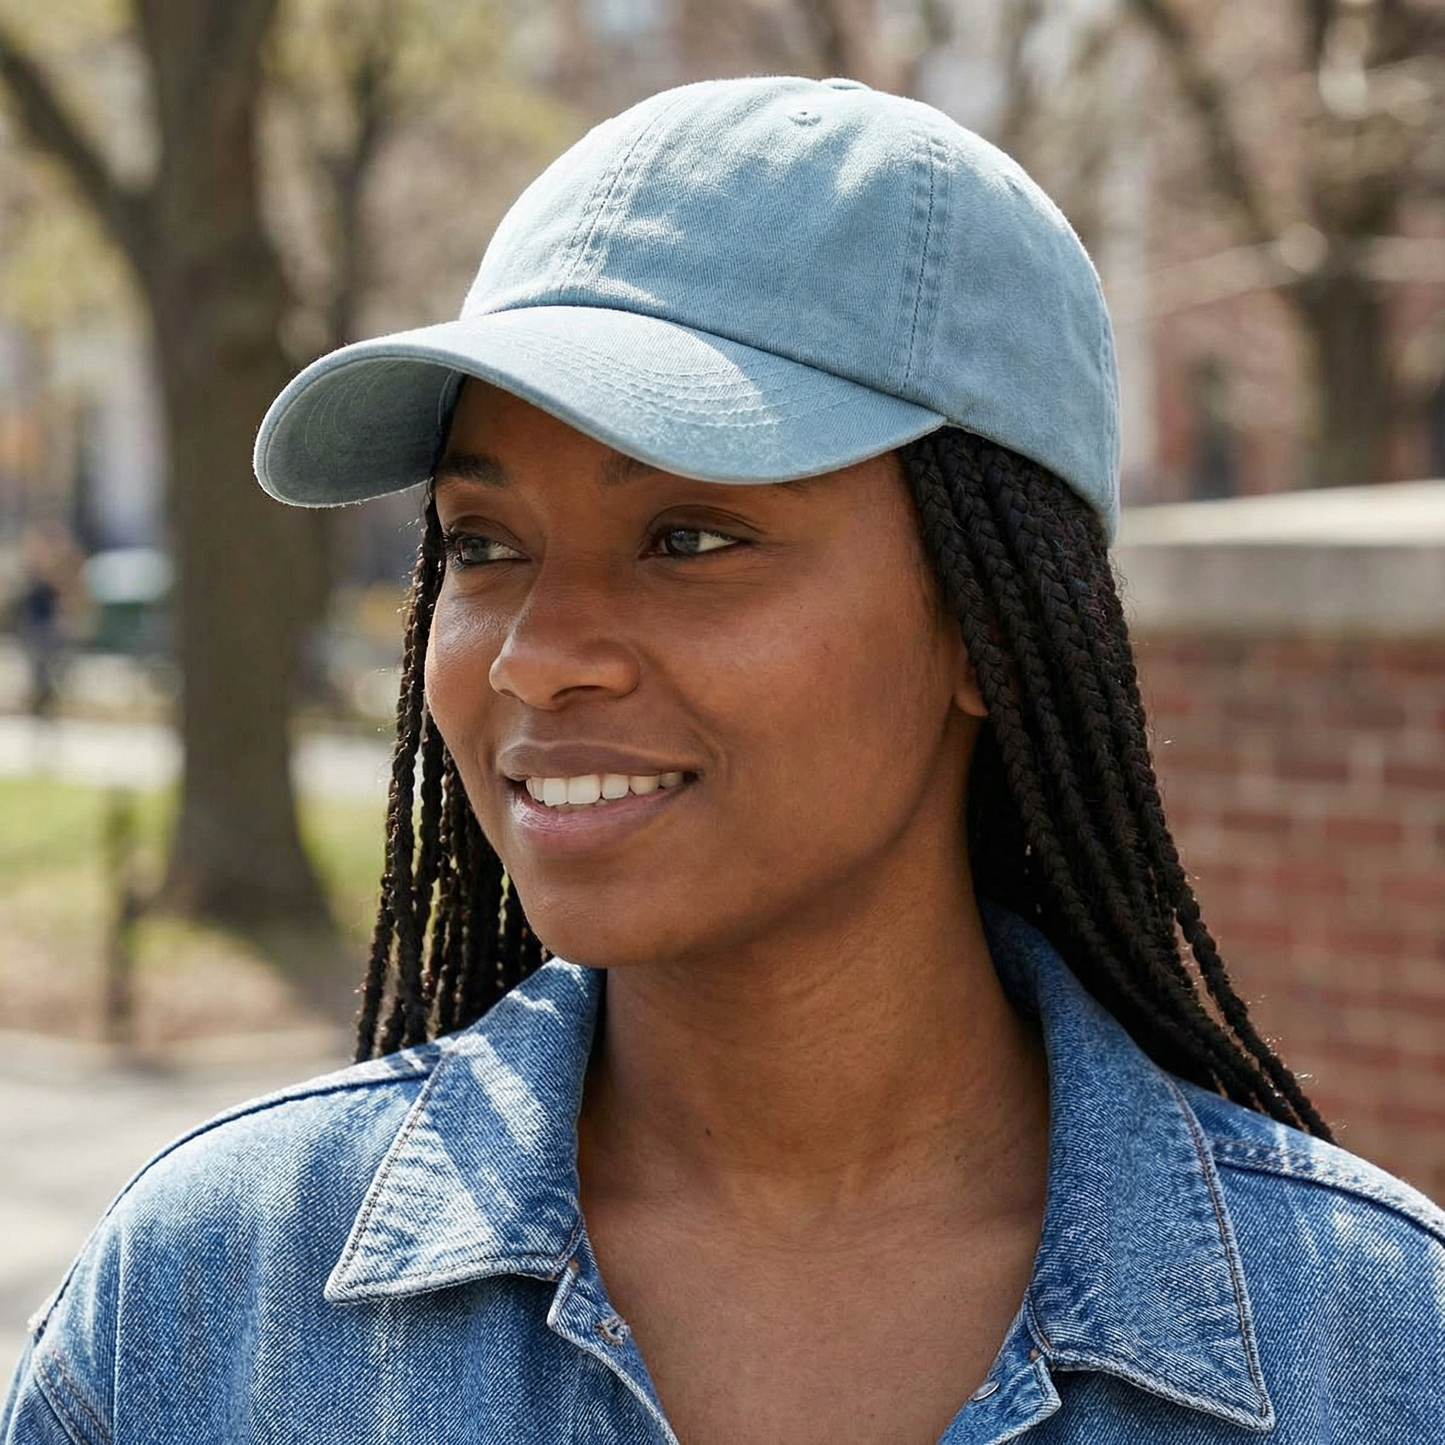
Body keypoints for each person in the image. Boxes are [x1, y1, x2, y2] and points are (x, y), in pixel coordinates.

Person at [5, 76, 1443, 1445]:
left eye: (689, 537)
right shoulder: (206, 1305)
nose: (533, 654)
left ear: (988, 634)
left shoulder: (1374, 1350)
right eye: (482, 546)